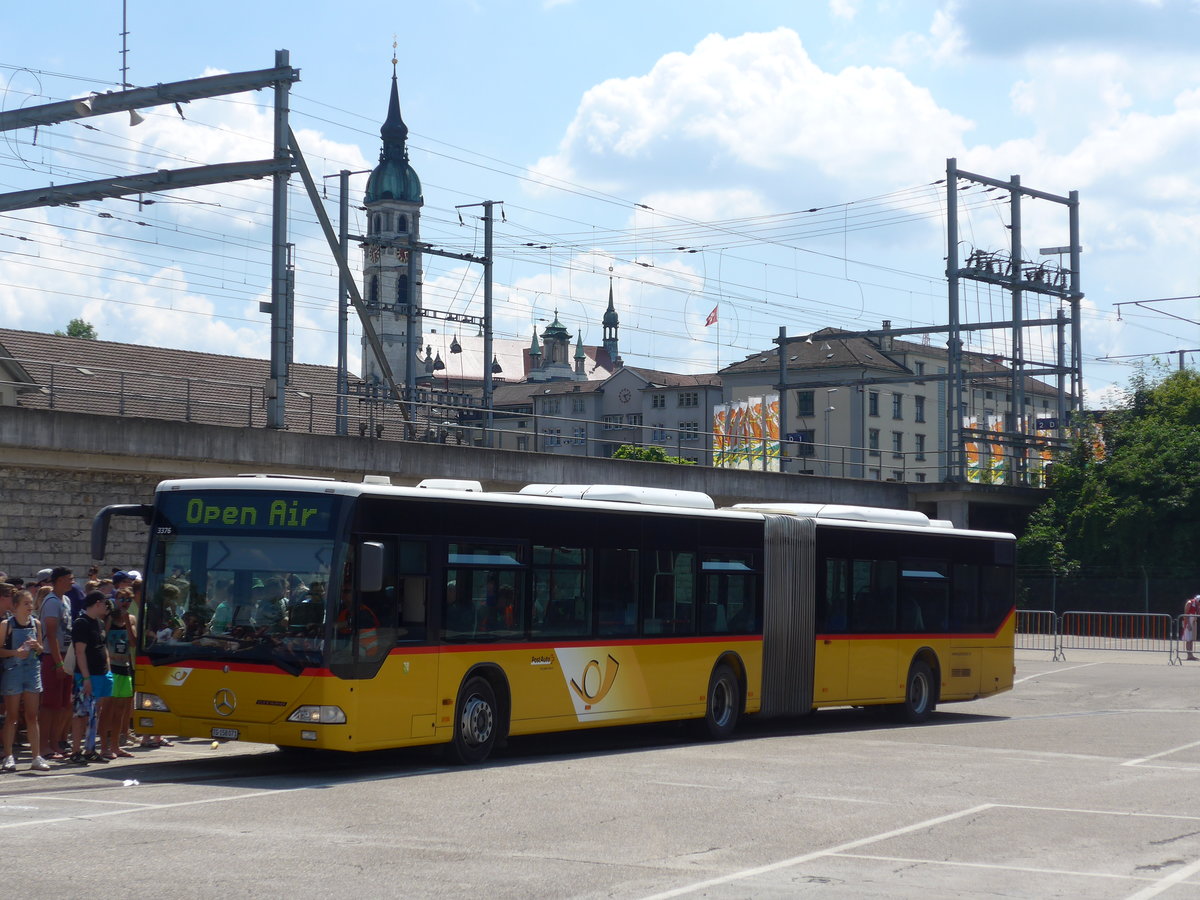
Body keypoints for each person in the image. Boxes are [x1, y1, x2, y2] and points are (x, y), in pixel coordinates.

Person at [1, 590, 49, 771]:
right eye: (26, 604)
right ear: (15, 607)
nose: (30, 607)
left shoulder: (36, 623)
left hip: (32, 671)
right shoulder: (7, 625)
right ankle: (9, 756)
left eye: (31, 603)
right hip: (13, 671)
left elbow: (40, 649)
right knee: (12, 716)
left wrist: (38, 647)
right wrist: (15, 653)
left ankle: (36, 756)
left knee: (32, 715)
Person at [68, 592, 113, 766]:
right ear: (97, 603)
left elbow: (102, 646)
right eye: (104, 603)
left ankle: (90, 749)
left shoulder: (99, 623)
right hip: (86, 675)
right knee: (81, 713)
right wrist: (86, 678)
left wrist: (107, 670)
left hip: (101, 674)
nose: (106, 607)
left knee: (95, 713)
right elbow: (80, 652)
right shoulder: (82, 623)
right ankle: (76, 751)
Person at [38, 567, 75, 761]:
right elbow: (51, 634)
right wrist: (59, 663)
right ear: (59, 580)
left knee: (63, 703)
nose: (72, 582)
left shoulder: (66, 600)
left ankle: (55, 742)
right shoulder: (51, 602)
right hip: (53, 657)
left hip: (66, 654)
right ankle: (43, 745)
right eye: (69, 579)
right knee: (49, 704)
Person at [98, 590, 137, 759]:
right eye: (122, 599)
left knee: (121, 710)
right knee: (107, 708)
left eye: (129, 599)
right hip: (111, 667)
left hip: (125, 666)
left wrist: (127, 621)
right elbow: (102, 640)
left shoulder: (132, 619)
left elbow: (134, 642)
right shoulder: (109, 619)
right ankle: (104, 746)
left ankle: (116, 745)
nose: (125, 602)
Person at [1184, 595, 1200, 661]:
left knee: (1191, 639)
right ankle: (1189, 655)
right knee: (1188, 639)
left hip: (1193, 622)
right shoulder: (1189, 603)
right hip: (1188, 623)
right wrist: (1189, 624)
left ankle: (1191, 655)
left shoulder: (1197, 605)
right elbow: (1186, 614)